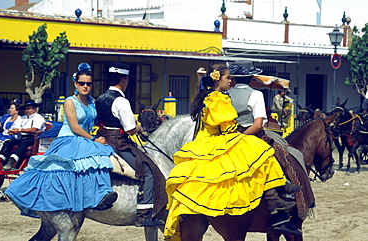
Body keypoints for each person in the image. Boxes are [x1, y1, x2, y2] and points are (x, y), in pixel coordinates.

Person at [164, 64, 289, 240]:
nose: (231, 80)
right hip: (220, 137)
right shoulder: (219, 99)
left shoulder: (206, 97)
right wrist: (238, 132)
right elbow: (228, 125)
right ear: (217, 79)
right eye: (227, 77)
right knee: (261, 152)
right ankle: (274, 197)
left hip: (202, 141)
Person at [5, 63, 117, 217]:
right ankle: (93, 196)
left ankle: (97, 195)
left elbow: (94, 122)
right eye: (82, 83)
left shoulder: (92, 101)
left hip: (84, 138)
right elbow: (75, 127)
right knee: (95, 154)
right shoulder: (70, 101)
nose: (85, 86)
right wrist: (94, 139)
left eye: (88, 84)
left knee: (99, 156)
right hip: (70, 138)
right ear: (75, 84)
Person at [228, 60, 302, 235]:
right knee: (276, 154)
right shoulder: (255, 94)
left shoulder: (225, 95)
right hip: (247, 136)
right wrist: (242, 137)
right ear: (251, 77)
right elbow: (258, 124)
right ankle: (280, 197)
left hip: (225, 138)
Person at [95, 62, 166, 227]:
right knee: (149, 169)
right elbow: (130, 129)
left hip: (102, 139)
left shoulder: (100, 98)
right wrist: (139, 128)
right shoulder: (121, 101)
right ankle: (144, 215)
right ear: (123, 79)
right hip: (117, 143)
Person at [0, 99, 46, 170]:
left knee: (24, 142)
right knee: (9, 142)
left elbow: (34, 129)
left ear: (34, 109)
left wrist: (20, 130)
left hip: (33, 138)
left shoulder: (38, 118)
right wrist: (13, 131)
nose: (27, 111)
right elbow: (17, 126)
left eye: (29, 109)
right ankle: (1, 159)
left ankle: (12, 160)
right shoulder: (23, 118)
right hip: (22, 137)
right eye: (26, 109)